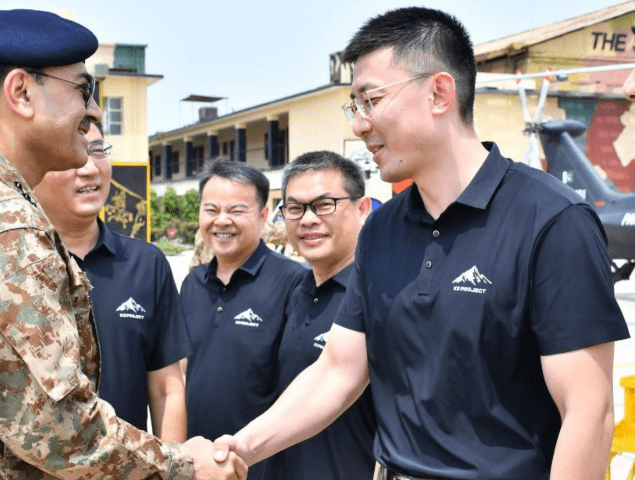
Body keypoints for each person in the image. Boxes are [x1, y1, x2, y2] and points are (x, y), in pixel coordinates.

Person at [214, 7, 629, 480]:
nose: (359, 124)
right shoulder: (382, 230)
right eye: (354, 106)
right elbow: (337, 371)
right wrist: (241, 447)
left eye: (370, 100)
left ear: (439, 92)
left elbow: (588, 414)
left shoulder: (552, 221)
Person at [0, 9, 245, 480]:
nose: (91, 112)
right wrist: (183, 466)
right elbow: (55, 429)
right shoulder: (3, 228)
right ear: (22, 93)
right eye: (82, 90)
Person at [33, 122, 190, 441]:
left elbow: (166, 390)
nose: (90, 168)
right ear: (34, 171)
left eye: (98, 150)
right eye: (73, 153)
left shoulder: (146, 264)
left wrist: (173, 469)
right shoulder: (11, 264)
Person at [181, 158, 307, 479]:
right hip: (199, 462)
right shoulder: (193, 283)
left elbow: (303, 386)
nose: (222, 220)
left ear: (263, 216)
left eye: (237, 211)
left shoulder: (294, 282)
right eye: (211, 210)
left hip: (262, 463)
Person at [259, 150, 376, 480]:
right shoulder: (294, 292)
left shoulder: (380, 296)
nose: (308, 220)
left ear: (362, 208)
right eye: (295, 208)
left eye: (325, 205)